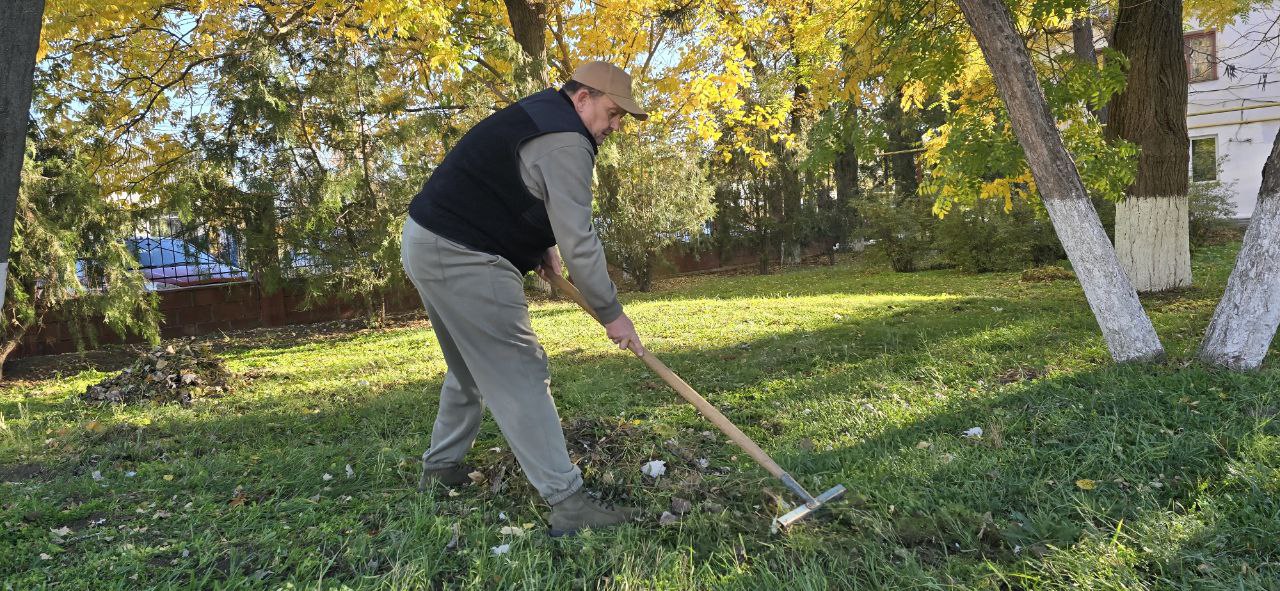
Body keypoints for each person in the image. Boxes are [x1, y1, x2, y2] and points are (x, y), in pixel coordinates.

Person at [400, 61, 648, 537]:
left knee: (470, 365)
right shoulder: (568, 141)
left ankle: (441, 467)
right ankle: (568, 503)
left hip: (427, 240)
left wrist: (539, 247)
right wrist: (612, 313)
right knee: (521, 368)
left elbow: (513, 188)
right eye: (614, 113)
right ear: (583, 98)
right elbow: (581, 242)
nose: (615, 126)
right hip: (465, 254)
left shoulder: (542, 114)